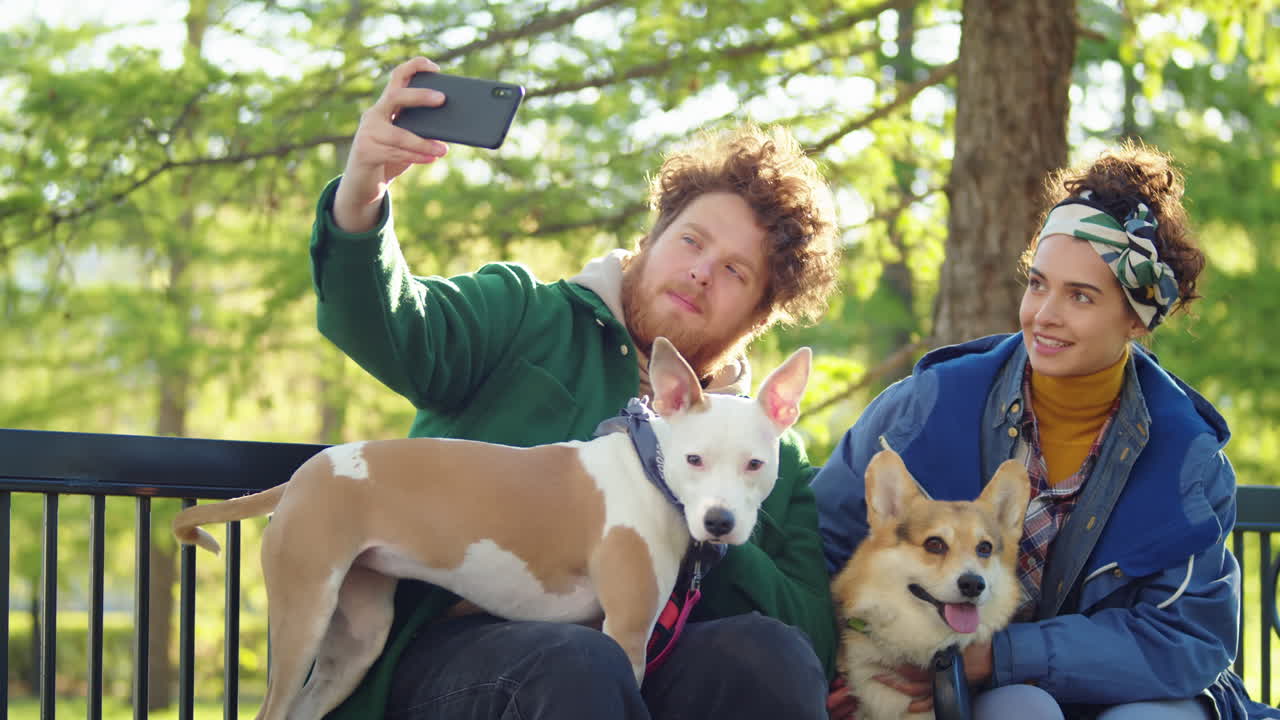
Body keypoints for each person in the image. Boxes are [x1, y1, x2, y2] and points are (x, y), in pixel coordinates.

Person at [309, 56, 842, 719]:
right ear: (651, 238)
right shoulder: (527, 317)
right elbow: (389, 327)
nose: (701, 271)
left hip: (654, 664)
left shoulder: (769, 456)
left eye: (734, 270)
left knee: (769, 655)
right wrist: (361, 194)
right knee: (580, 662)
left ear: (759, 315)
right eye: (691, 241)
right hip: (457, 652)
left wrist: (714, 515)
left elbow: (812, 640)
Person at [813, 142, 1277, 719]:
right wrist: (831, 665)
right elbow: (819, 542)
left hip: (1142, 697)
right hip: (982, 697)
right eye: (1038, 284)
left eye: (1080, 296)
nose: (1044, 314)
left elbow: (1187, 640)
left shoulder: (1187, 459)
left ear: (1135, 318)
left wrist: (1000, 654)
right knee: (1021, 710)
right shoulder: (928, 407)